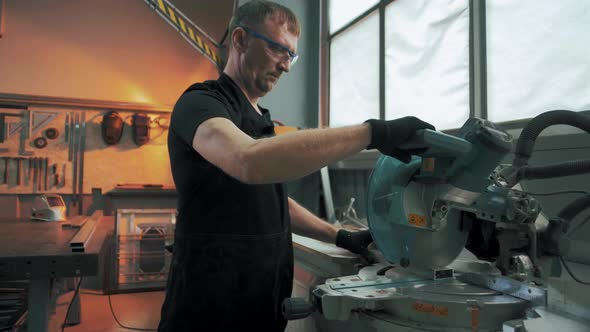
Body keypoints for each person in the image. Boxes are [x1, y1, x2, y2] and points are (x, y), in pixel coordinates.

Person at [157, 1, 434, 331]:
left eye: (292, 55)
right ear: (240, 40)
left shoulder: (260, 120)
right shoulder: (201, 103)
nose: (286, 66)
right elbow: (248, 161)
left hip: (261, 302)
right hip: (208, 307)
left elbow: (270, 200)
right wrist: (373, 133)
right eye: (278, 49)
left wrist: (340, 235)